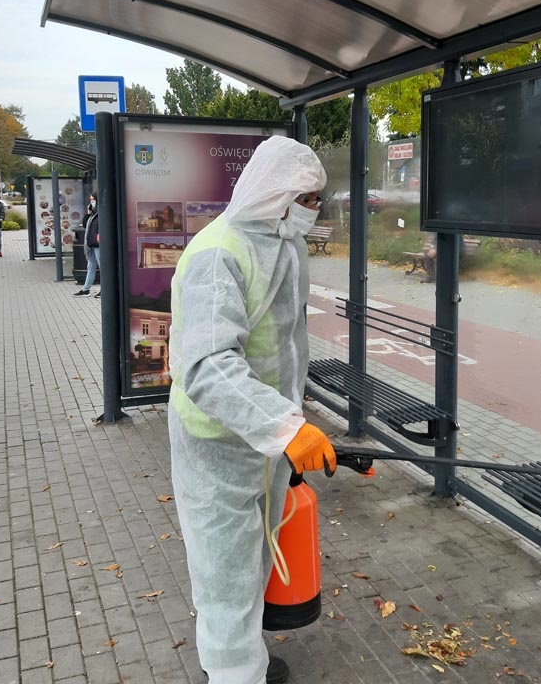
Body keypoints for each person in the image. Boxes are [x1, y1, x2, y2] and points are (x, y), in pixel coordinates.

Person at [167, 136, 337, 684]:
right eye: (307, 198)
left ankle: (247, 662)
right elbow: (208, 366)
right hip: (218, 438)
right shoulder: (220, 253)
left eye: (318, 200)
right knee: (224, 574)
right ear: (277, 193)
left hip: (266, 439)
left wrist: (287, 427)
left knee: (255, 557)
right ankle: (234, 674)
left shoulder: (284, 241)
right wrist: (286, 426)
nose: (314, 210)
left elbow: (285, 340)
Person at [74, 192, 100, 297]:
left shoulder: (101, 213)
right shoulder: (93, 214)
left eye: (93, 200)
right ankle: (86, 289)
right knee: (91, 267)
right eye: (90, 200)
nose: (91, 202)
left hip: (98, 244)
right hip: (91, 244)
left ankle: (105, 289)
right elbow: (85, 225)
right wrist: (88, 213)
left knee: (102, 267)